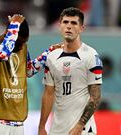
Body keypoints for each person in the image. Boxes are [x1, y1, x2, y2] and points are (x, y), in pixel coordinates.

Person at [0, 14, 61, 135]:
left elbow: (27, 71)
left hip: (16, 119)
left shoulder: (20, 47)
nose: (21, 46)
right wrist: (14, 25)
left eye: (24, 42)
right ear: (9, 32)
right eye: (19, 42)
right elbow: (2, 54)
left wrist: (49, 52)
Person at [38, 7, 103, 135]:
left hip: (83, 130)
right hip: (57, 129)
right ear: (59, 25)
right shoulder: (52, 57)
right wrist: (41, 126)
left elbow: (95, 97)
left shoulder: (90, 55)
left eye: (74, 23)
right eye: (65, 22)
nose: (69, 26)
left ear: (81, 28)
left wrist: (80, 125)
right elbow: (48, 94)